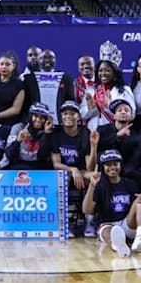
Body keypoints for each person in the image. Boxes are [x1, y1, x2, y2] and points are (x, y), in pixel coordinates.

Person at [82, 149, 141, 258]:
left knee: (140, 200)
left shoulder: (131, 183)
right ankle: (117, 245)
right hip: (107, 224)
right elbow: (86, 210)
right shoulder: (100, 185)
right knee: (108, 231)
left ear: (120, 165)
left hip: (127, 223)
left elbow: (138, 207)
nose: (112, 167)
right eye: (108, 165)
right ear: (103, 167)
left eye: (115, 164)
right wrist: (92, 185)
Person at [49, 100, 93, 237]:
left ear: (78, 117)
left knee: (95, 178)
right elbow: (56, 164)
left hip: (82, 171)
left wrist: (94, 146)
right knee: (64, 178)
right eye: (65, 113)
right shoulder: (56, 134)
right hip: (65, 172)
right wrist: (72, 169)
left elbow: (89, 166)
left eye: (72, 113)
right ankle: (66, 222)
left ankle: (90, 220)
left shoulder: (85, 133)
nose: (68, 116)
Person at [81, 59, 134, 133]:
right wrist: (90, 109)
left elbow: (132, 114)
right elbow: (82, 115)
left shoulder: (124, 90)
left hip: (117, 132)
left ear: (114, 72)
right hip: (94, 132)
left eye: (107, 70)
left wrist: (109, 108)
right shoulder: (91, 90)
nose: (103, 73)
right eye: (100, 70)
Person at [3, 102, 52, 170]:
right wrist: (18, 141)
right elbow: (9, 154)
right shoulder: (18, 128)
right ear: (30, 116)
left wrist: (46, 134)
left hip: (38, 169)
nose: (38, 120)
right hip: (17, 167)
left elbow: (43, 157)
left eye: (42, 117)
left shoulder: (48, 132)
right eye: (35, 116)